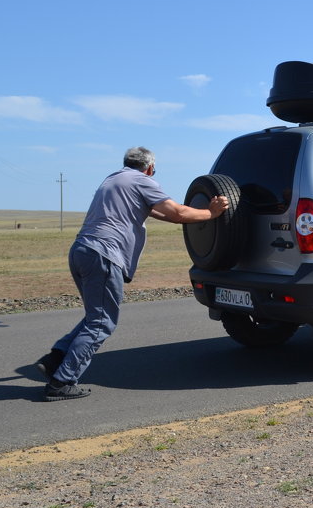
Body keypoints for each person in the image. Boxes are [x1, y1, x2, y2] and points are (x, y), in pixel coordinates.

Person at [36, 146, 228, 401]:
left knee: (95, 316)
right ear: (149, 168)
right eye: (154, 171)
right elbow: (177, 212)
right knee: (102, 322)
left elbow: (161, 213)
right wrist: (211, 213)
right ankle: (62, 381)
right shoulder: (141, 180)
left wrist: (196, 215)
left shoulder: (114, 179)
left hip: (82, 250)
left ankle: (56, 358)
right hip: (103, 255)